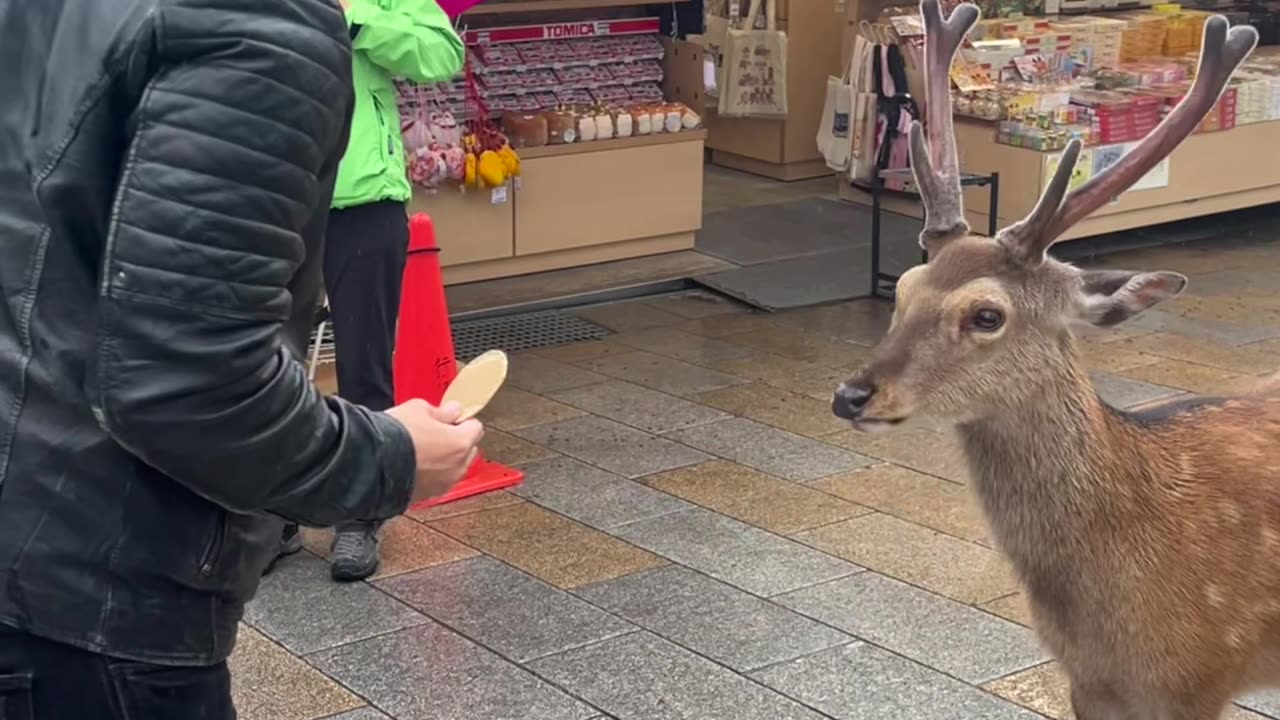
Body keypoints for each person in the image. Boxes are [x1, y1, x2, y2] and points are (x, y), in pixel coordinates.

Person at [0, 0, 481, 717]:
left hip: (34, 522)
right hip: (99, 595)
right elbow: (192, 385)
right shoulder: (254, 21)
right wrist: (391, 459)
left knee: (359, 356)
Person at [278, 0, 468, 583]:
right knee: (269, 363)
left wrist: (356, 19)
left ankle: (361, 512)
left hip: (365, 201)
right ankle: (272, 514)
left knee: (365, 363)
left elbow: (442, 55)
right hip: (277, 197)